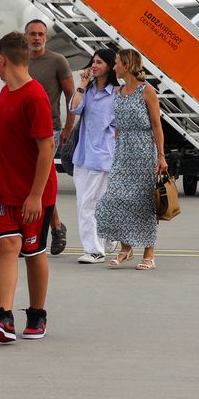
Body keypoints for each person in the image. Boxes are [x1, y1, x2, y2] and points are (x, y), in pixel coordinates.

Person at [0, 32, 59, 343]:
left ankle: (37, 313)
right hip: (3, 187)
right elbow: (2, 140)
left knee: (33, 251)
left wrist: (36, 195)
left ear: (2, 60)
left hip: (32, 193)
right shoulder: (5, 95)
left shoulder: (34, 96)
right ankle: (3, 316)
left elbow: (46, 148)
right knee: (7, 245)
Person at [96, 49, 167, 270]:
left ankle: (149, 253)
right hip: (123, 152)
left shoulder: (147, 91)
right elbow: (117, 125)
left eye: (116, 63)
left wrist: (161, 156)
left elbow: (157, 125)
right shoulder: (119, 91)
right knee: (116, 199)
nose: (114, 67)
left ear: (126, 65)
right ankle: (126, 249)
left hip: (144, 151)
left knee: (144, 203)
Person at [19, 19, 73, 254]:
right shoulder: (19, 61)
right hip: (21, 130)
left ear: (47, 38)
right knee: (27, 182)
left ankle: (47, 228)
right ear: (26, 36)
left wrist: (69, 128)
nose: (36, 38)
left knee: (43, 181)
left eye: (41, 34)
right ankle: (53, 226)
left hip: (49, 129)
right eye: (32, 34)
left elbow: (72, 97)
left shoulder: (57, 61)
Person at [68, 48, 117, 264]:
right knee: (89, 202)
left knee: (88, 203)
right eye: (93, 62)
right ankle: (108, 238)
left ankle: (94, 250)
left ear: (109, 66)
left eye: (99, 62)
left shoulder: (117, 92)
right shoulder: (87, 91)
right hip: (83, 155)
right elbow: (74, 108)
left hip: (103, 155)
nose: (94, 66)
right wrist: (82, 84)